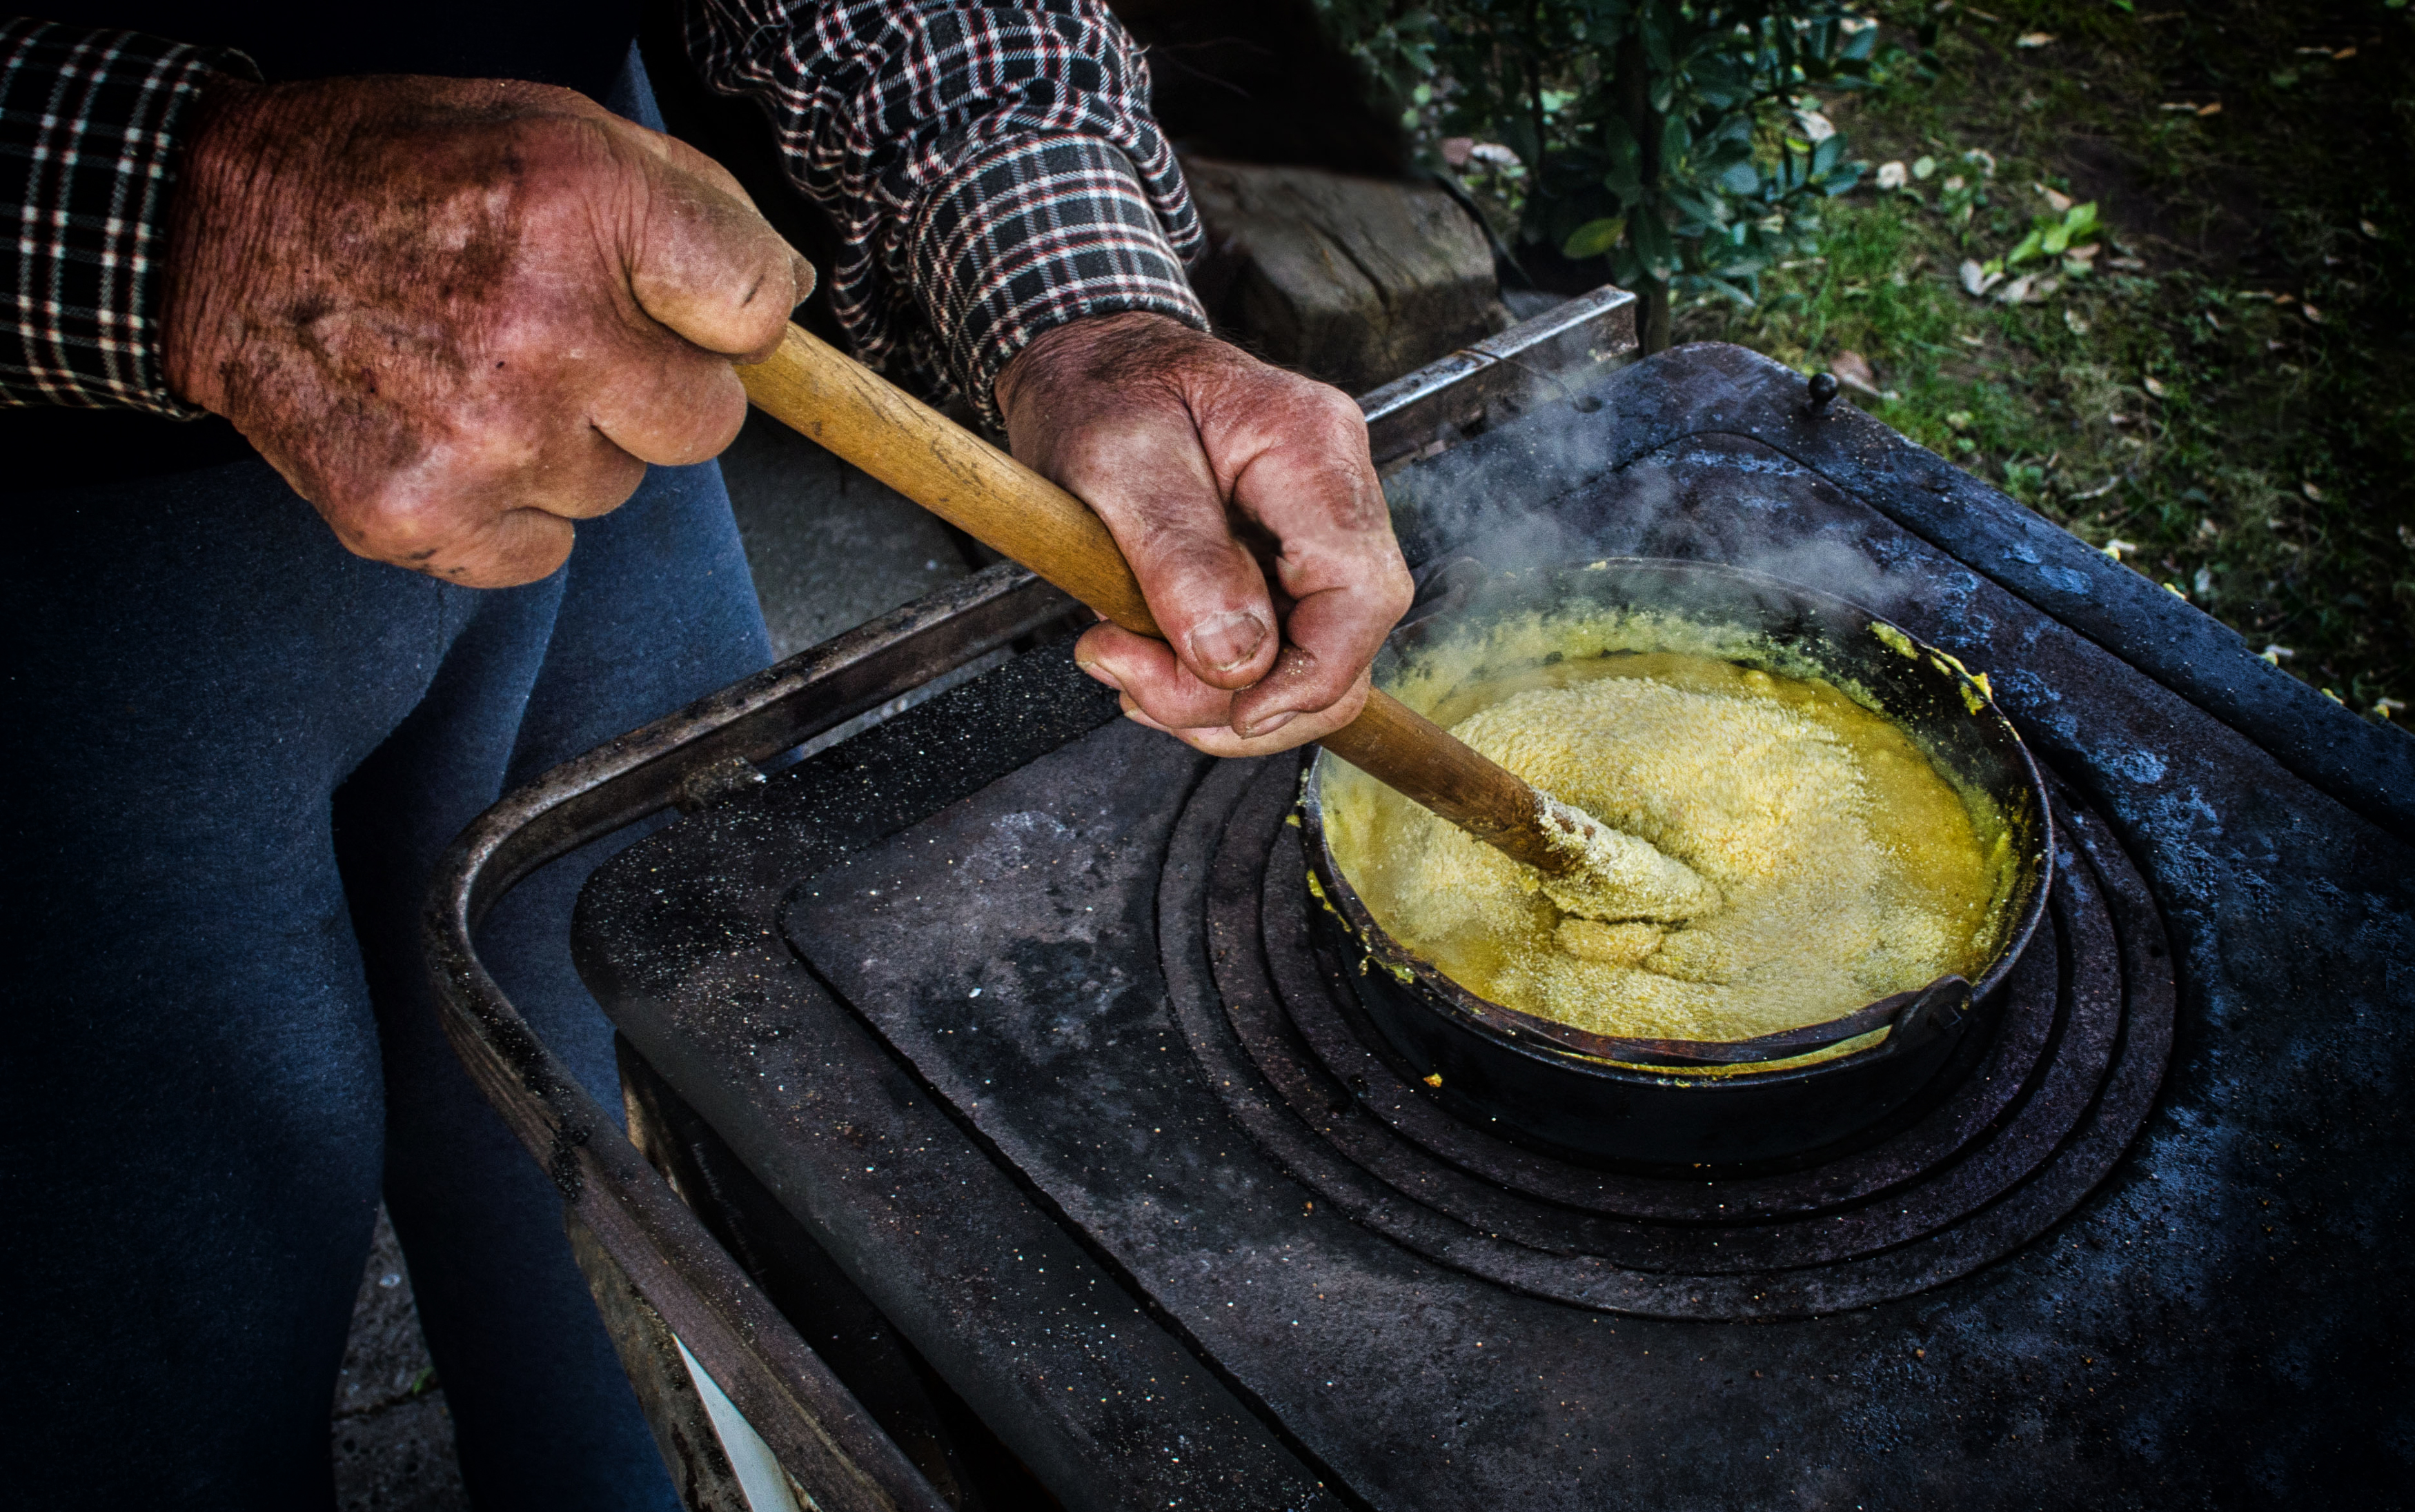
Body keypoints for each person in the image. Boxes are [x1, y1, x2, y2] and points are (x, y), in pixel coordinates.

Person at [0, 4, 1412, 1507]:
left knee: (690, 1210)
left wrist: (1080, 310)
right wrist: (191, 218)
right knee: (144, 1341)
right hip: (56, 549)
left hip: (595, 314)